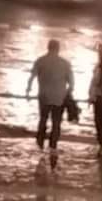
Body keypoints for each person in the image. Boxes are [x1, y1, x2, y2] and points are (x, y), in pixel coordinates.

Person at [26, 38, 75, 168]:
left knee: (43, 118)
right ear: (58, 49)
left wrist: (28, 90)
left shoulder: (40, 61)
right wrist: (68, 93)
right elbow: (71, 82)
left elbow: (32, 77)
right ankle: (53, 145)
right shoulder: (65, 63)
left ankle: (40, 139)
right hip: (59, 97)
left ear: (48, 48)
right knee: (56, 122)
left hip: (44, 96)